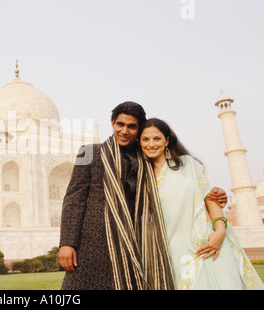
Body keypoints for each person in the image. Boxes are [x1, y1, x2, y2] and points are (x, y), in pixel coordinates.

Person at [58, 101, 228, 290]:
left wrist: (213, 194)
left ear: (138, 130)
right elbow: (74, 199)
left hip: (136, 243)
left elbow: (177, 180)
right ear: (113, 122)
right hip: (93, 244)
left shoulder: (146, 156)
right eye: (120, 124)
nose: (125, 131)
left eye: (132, 126)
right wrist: (67, 243)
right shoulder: (89, 152)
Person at [139, 118, 264, 290]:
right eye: (145, 139)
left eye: (157, 138)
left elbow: (210, 200)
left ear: (167, 140)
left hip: (211, 244)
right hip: (176, 251)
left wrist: (220, 231)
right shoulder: (140, 178)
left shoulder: (189, 165)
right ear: (139, 142)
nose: (151, 144)